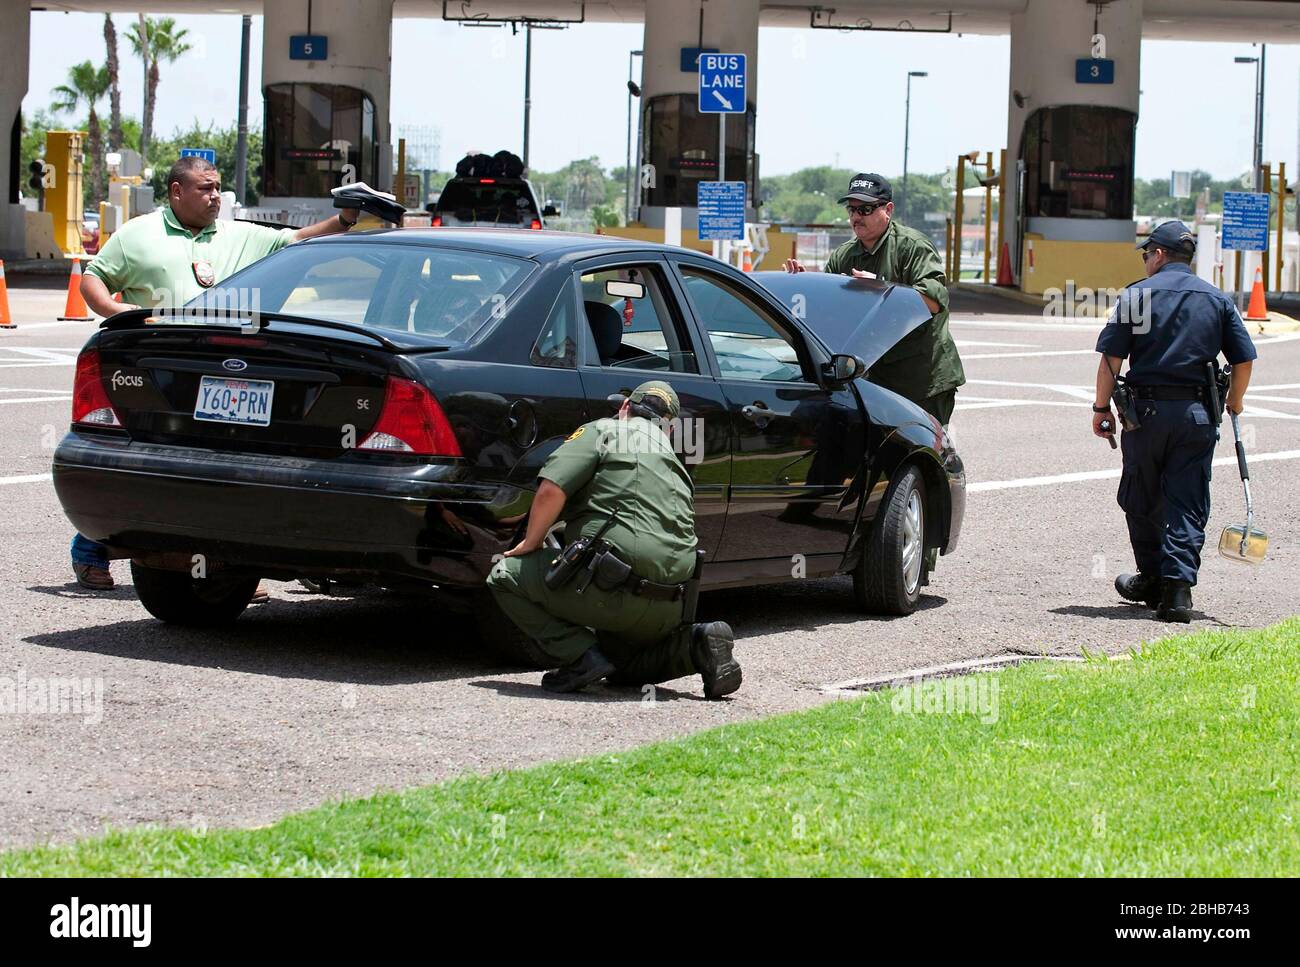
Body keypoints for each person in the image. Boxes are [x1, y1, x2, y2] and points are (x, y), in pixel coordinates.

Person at [70, 155, 361, 591]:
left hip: (221, 372)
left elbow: (297, 240)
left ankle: (228, 564)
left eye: (218, 188)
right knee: (144, 464)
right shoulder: (138, 234)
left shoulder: (236, 234)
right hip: (156, 368)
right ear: (176, 192)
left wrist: (344, 217)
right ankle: (92, 551)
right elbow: (94, 277)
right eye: (205, 188)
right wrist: (115, 311)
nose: (215, 197)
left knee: (220, 472)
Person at [487, 381, 741, 698]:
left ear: (624, 408)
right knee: (624, 665)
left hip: (611, 587)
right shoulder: (674, 463)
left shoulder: (604, 430)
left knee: (503, 576)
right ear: (670, 429)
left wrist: (531, 542)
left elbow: (552, 489)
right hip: (670, 604)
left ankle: (580, 658)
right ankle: (696, 644)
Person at [1092, 220, 1256, 622]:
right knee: (1187, 499)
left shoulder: (1136, 296)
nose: (1146, 260)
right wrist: (1234, 400)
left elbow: (1111, 362)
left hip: (1143, 417)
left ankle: (1151, 577)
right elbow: (1244, 359)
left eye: (1148, 254)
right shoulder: (1218, 299)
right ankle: (1177, 591)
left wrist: (1100, 410)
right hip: (1197, 417)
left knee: (1140, 494)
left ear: (1160, 255)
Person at [784, 172, 965, 426]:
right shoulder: (843, 256)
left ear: (888, 209)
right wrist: (805, 287)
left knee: (925, 453)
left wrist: (881, 289)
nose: (856, 217)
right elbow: (829, 315)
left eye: (866, 209)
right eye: (852, 209)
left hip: (922, 380)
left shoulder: (912, 247)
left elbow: (932, 301)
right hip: (873, 380)